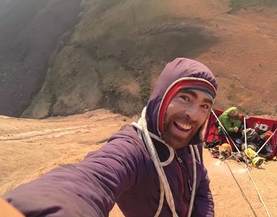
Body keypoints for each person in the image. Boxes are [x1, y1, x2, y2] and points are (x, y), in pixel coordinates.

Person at [0, 57, 218, 217]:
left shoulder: (189, 140)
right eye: (185, 97)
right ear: (162, 98)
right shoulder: (134, 149)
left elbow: (201, 183)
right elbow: (92, 180)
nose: (193, 114)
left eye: (204, 106)